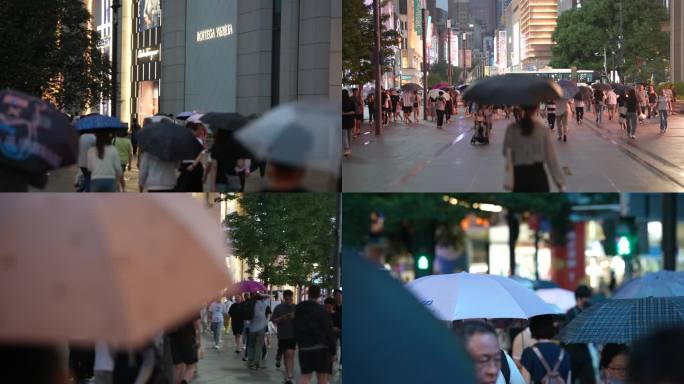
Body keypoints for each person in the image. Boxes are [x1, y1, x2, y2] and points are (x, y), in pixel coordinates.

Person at [503, 105, 565, 192]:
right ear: (536, 108)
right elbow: (551, 159)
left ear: (521, 108)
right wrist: (560, 184)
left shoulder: (512, 129)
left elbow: (505, 151)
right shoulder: (543, 131)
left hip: (519, 177)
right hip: (538, 176)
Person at [295, 285, 337, 384]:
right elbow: (328, 331)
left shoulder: (299, 308)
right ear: (319, 295)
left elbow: (295, 325)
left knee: (305, 376)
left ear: (308, 293)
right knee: (322, 377)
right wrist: (333, 351)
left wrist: (298, 342)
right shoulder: (322, 310)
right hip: (320, 347)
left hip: (304, 347)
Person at [520, 315, 571, 384]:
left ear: (533, 328)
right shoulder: (564, 353)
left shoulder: (529, 353)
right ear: (552, 328)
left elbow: (524, 381)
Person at [565, 285, 597, 384]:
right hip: (572, 353)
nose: (587, 300)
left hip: (584, 352)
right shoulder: (570, 313)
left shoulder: (588, 311)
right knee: (571, 379)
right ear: (579, 298)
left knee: (590, 379)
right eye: (586, 297)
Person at [272, 290, 297, 384]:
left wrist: (296, 317)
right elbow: (273, 320)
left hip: (293, 335)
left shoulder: (296, 308)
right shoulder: (278, 308)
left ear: (292, 298)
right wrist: (282, 318)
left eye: (290, 299)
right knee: (286, 356)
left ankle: (290, 376)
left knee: (290, 354)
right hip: (282, 335)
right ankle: (288, 375)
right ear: (284, 298)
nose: (289, 301)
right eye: (287, 299)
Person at [175, 121, 207, 192]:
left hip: (194, 165)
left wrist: (193, 165)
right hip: (185, 165)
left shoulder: (198, 140)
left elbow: (201, 153)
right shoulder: (184, 140)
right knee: (183, 187)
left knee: (190, 187)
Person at [168, 315, 200, 384]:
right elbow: (196, 324)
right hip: (188, 338)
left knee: (178, 367)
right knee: (192, 366)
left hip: (173, 339)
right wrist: (198, 339)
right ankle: (184, 381)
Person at [247, 293, 270, 370]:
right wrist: (262, 295)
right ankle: (256, 362)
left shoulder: (251, 305)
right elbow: (268, 296)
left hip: (252, 328)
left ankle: (250, 362)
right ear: (261, 298)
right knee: (259, 346)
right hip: (261, 328)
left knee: (251, 346)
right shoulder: (264, 304)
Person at [342, 90, 355, 158]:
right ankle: (348, 149)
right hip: (350, 121)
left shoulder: (341, 102)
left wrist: (344, 113)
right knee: (349, 135)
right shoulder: (351, 101)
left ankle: (347, 149)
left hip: (343, 121)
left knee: (344, 136)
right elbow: (353, 112)